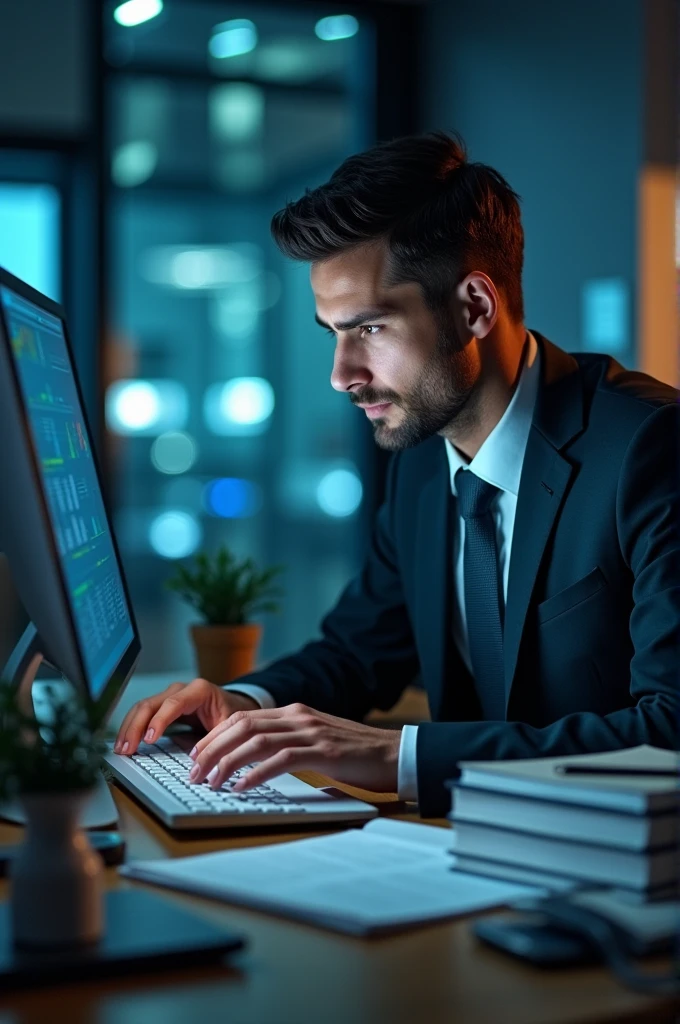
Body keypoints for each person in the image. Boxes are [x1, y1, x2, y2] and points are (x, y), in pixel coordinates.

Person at [115, 132, 679, 816]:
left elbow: (670, 733)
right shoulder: (421, 454)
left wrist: (397, 756)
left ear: (474, 306)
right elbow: (358, 651)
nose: (341, 375)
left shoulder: (652, 447)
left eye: (371, 329)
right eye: (333, 333)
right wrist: (242, 702)